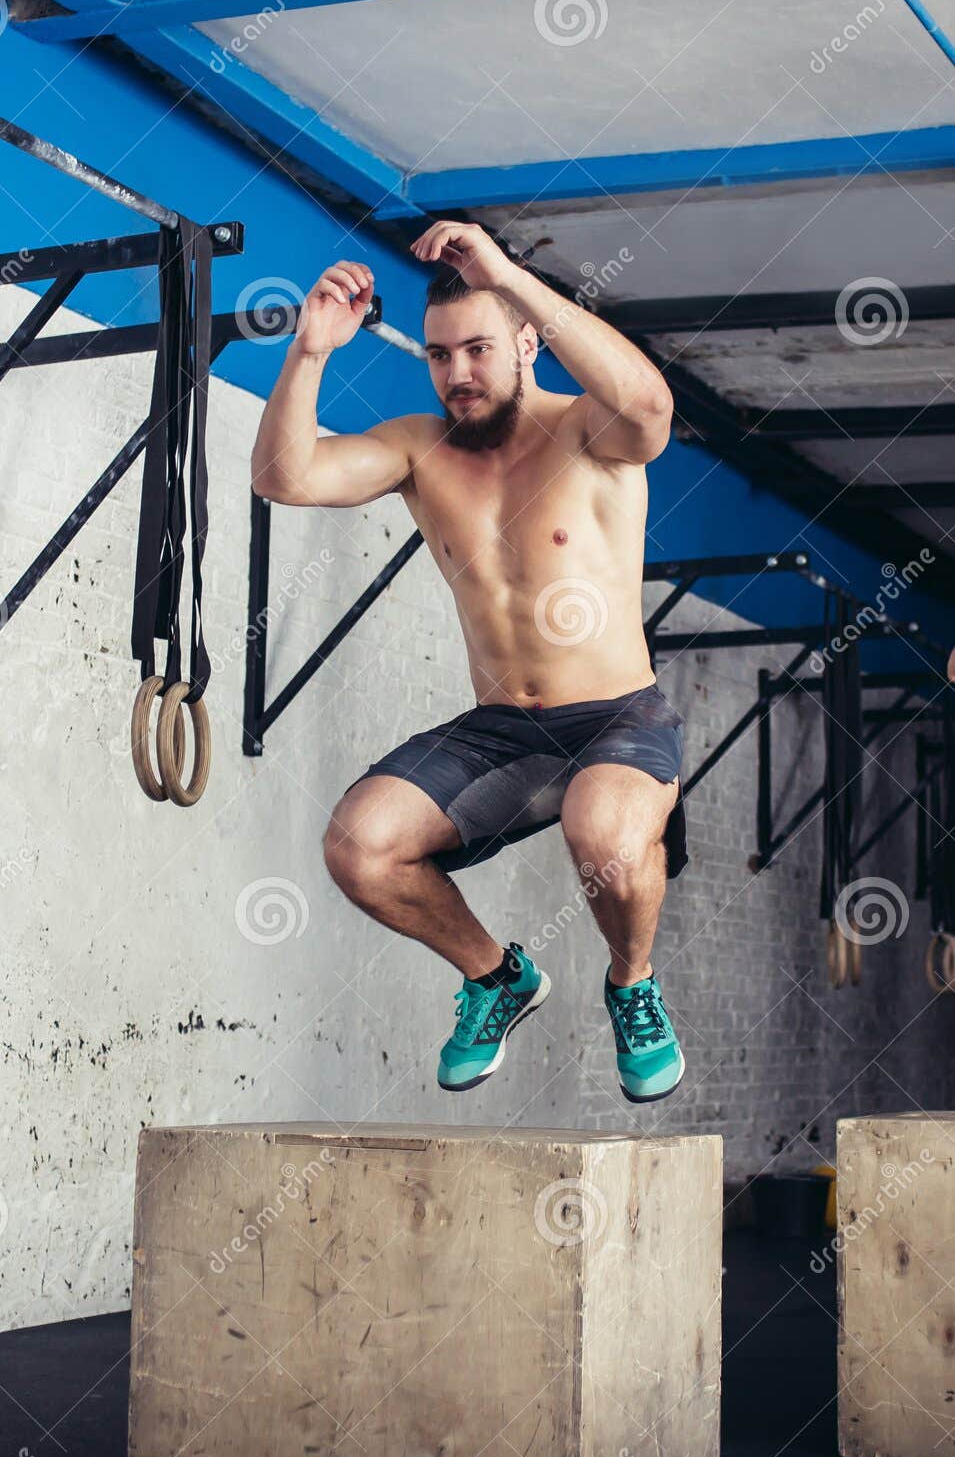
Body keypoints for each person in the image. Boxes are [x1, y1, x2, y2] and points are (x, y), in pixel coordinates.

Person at [251, 221, 687, 1102]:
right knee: (360, 848)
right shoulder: (422, 450)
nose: (458, 373)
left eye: (480, 349)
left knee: (602, 832)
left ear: (527, 341)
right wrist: (308, 353)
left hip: (615, 719)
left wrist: (503, 273)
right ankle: (496, 978)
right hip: (501, 732)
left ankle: (631, 983)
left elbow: (649, 410)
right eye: (440, 355)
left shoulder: (589, 431)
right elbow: (284, 478)